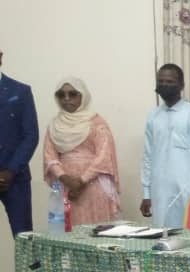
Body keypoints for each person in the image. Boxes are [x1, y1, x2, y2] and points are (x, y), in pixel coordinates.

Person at [140, 64, 190, 228]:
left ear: (181, 85)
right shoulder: (153, 116)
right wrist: (146, 193)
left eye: (170, 81)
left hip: (189, 189)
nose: (164, 85)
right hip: (159, 191)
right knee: (162, 235)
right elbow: (148, 156)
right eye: (161, 81)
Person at [43, 77, 121, 225]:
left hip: (93, 185)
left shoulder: (96, 122)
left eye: (72, 94)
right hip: (65, 186)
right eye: (61, 95)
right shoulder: (54, 125)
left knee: (96, 230)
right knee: (67, 231)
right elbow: (49, 156)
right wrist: (66, 179)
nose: (66, 98)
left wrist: (81, 181)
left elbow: (104, 156)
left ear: (83, 95)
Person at [0, 49, 39, 236]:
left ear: (0, 57)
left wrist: (11, 170)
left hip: (15, 178)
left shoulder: (21, 91)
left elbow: (31, 135)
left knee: (24, 239)